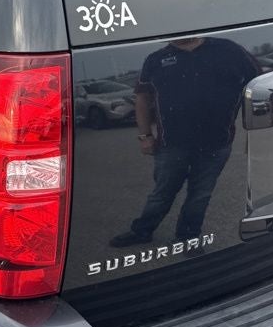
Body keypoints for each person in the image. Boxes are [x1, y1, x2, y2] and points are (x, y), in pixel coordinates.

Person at [110, 36, 260, 248]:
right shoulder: (156, 59)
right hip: (171, 144)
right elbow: (142, 99)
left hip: (217, 142)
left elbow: (258, 84)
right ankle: (142, 231)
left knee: (200, 194)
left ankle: (187, 237)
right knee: (162, 193)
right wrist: (145, 136)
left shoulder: (229, 49)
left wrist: (257, 123)